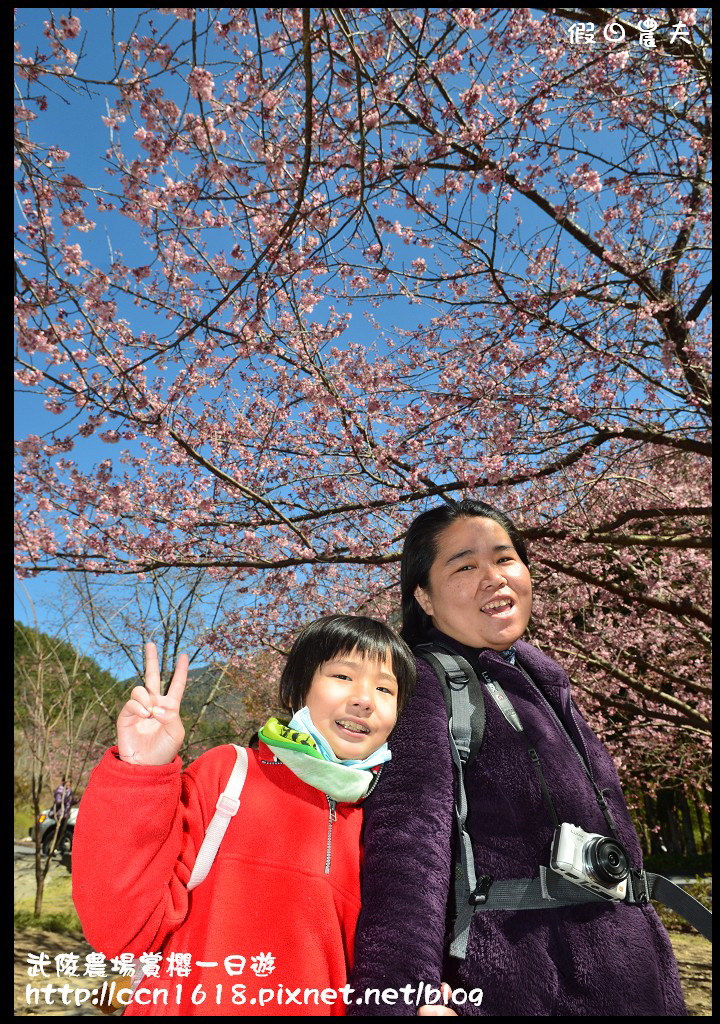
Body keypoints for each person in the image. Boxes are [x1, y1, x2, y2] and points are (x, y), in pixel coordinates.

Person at [348, 500, 687, 1016]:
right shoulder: (424, 687)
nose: (493, 578)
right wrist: (399, 997)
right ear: (424, 597)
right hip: (530, 985)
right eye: (464, 566)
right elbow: (407, 848)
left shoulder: (545, 686)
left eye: (505, 559)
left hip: (638, 982)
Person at [72, 615, 416, 1016]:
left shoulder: (385, 826)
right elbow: (121, 929)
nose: (365, 699)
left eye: (384, 689)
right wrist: (140, 773)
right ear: (298, 687)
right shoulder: (228, 773)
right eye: (342, 676)